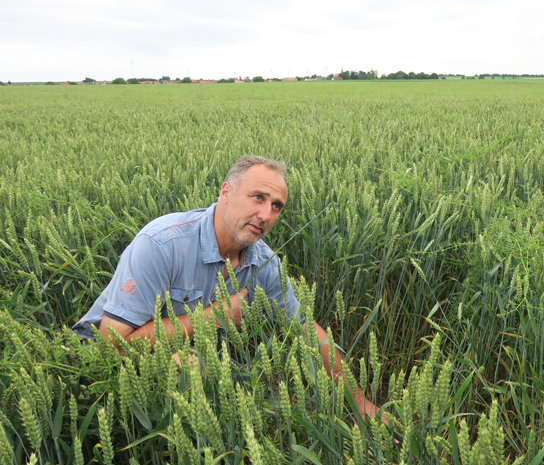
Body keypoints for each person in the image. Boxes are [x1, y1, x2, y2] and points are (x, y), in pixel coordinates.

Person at [73, 155, 382, 422]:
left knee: (219, 374)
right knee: (191, 366)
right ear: (225, 192)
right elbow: (111, 343)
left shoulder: (263, 264)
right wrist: (216, 315)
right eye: (258, 197)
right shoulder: (162, 244)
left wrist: (360, 404)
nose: (266, 215)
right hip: (98, 358)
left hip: (184, 358)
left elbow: (307, 331)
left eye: (276, 206)